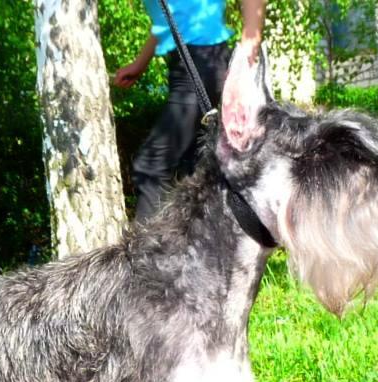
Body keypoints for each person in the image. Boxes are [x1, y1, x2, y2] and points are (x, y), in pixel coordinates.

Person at [113, 0, 265, 221]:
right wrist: (140, 64)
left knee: (152, 166)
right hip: (190, 64)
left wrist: (246, 62)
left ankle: (145, 245)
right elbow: (172, 17)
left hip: (201, 64)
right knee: (192, 172)